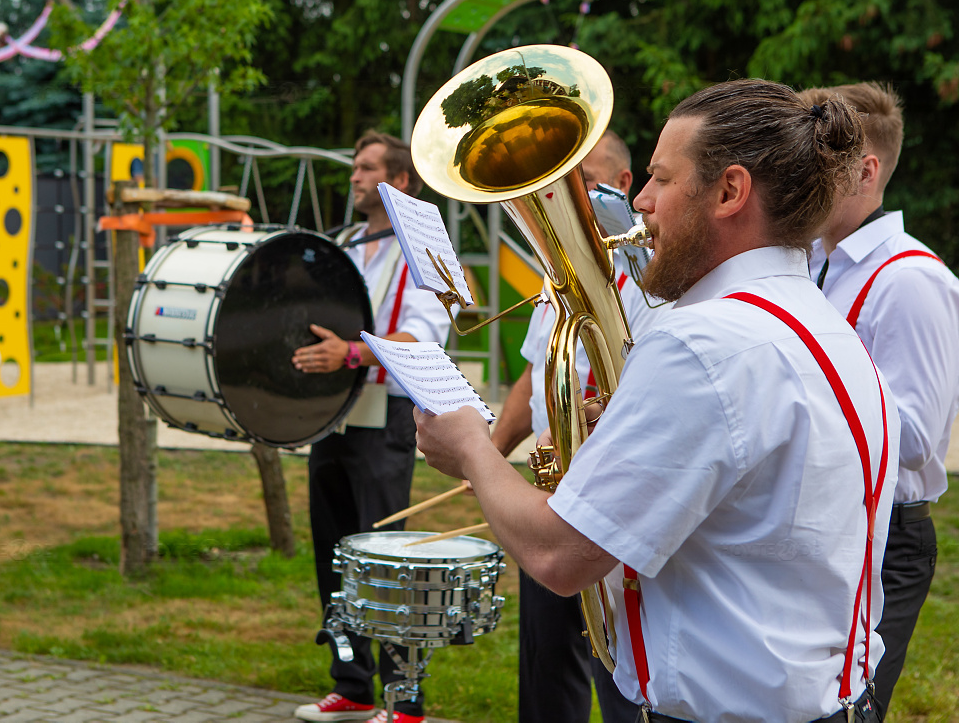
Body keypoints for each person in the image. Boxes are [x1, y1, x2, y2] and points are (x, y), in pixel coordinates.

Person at [416, 79, 895, 723]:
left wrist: (474, 446)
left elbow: (560, 557)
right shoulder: (822, 322)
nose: (639, 202)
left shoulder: (704, 344)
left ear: (729, 192)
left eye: (660, 180)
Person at [800, 82, 959, 717]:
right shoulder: (817, 261)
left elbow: (917, 436)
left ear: (866, 172)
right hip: (834, 522)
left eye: (811, 162)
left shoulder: (910, 279)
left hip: (887, 537)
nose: (792, 173)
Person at [491, 130, 661, 723]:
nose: (571, 196)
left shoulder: (651, 283)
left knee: (617, 663)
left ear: (625, 187)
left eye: (584, 182)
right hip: (552, 486)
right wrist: (489, 455)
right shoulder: (554, 273)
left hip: (612, 492)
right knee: (545, 661)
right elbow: (535, 377)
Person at [291, 131, 451, 723]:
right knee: (333, 553)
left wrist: (351, 356)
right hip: (332, 418)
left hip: (383, 417)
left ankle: (404, 701)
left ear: (398, 181)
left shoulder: (420, 248)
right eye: (354, 168)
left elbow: (423, 335)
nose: (353, 177)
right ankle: (353, 687)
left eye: (365, 168)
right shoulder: (350, 244)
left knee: (385, 558)